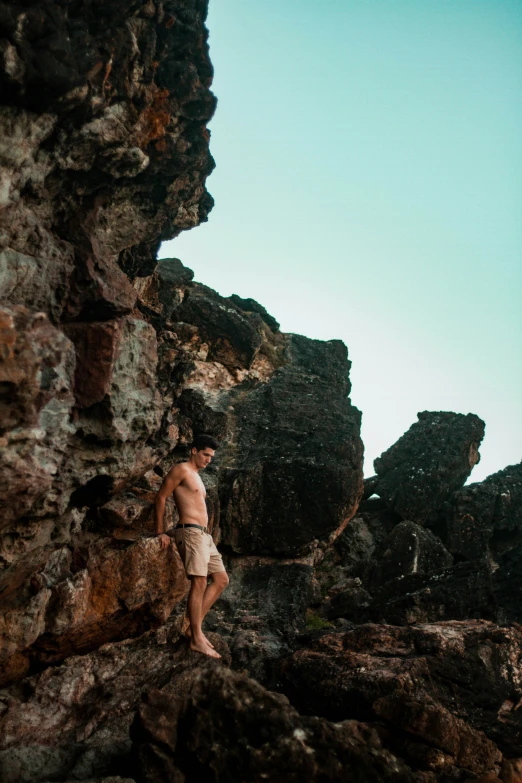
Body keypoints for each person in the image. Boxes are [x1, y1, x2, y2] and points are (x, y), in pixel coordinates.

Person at [154, 434, 228, 659]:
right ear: (194, 451)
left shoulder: (197, 476)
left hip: (204, 536)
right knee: (199, 581)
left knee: (221, 579)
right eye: (206, 454)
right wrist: (160, 532)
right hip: (189, 532)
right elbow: (161, 497)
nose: (209, 460)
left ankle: (191, 627)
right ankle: (196, 638)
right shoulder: (181, 469)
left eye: (212, 457)